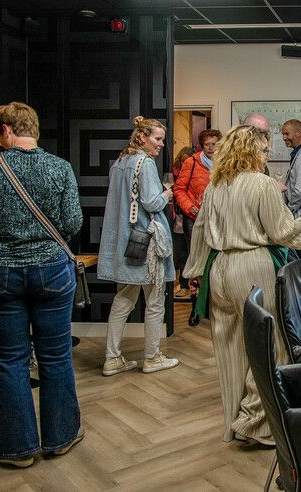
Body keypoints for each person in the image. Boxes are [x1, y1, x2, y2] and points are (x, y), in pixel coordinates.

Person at [182, 125, 301, 445]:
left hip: (219, 269)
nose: (267, 157)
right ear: (251, 151)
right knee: (267, 345)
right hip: (252, 267)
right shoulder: (262, 184)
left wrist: (193, 271)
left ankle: (233, 424)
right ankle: (257, 425)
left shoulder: (216, 185)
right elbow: (285, 233)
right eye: (264, 151)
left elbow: (200, 231)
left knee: (230, 352)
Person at [0, 102, 84, 467]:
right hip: (51, 270)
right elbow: (73, 221)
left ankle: (17, 450)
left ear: (5, 131)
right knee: (56, 354)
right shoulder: (59, 168)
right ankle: (60, 437)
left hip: (0, 272)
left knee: (10, 360)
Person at [98, 116, 179, 376]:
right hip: (146, 244)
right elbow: (152, 203)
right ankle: (153, 357)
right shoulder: (145, 163)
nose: (161, 144)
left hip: (126, 243)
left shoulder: (120, 162)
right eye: (157, 138)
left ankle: (112, 358)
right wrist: (167, 194)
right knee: (155, 302)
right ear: (142, 137)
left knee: (123, 300)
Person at [174, 129, 222, 271]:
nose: (211, 147)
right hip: (193, 217)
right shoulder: (192, 162)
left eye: (214, 144)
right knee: (195, 255)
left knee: (215, 254)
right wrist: (189, 207)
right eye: (207, 144)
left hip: (217, 216)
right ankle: (196, 289)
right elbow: (179, 189)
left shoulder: (224, 163)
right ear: (202, 145)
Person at [171, 146, 193, 297]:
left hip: (189, 217)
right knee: (181, 253)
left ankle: (189, 286)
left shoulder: (196, 173)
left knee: (189, 253)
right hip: (178, 218)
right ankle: (183, 285)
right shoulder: (175, 175)